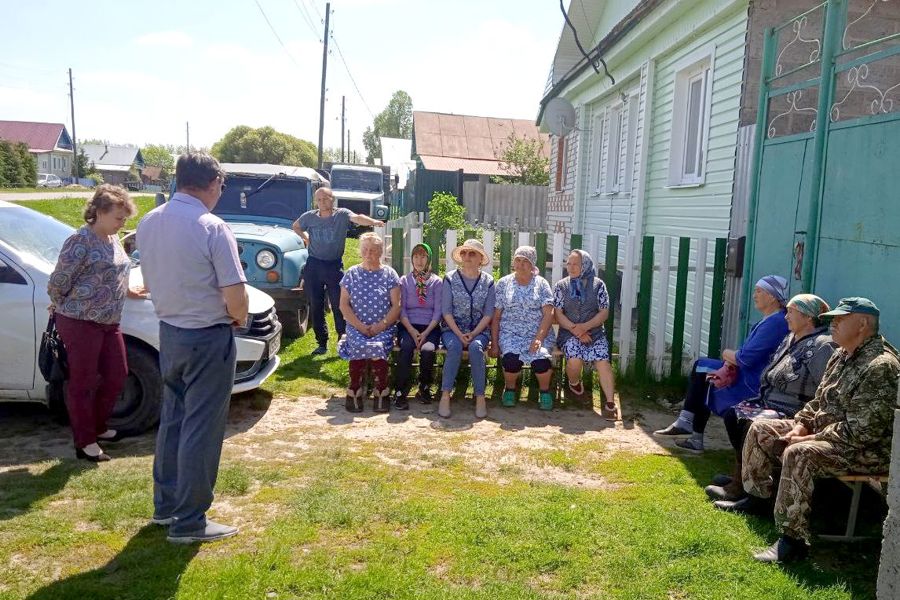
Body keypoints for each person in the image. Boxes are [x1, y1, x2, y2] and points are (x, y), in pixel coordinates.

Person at [714, 297, 899, 563]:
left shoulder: (880, 366)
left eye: (839, 320)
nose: (832, 324)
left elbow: (862, 431)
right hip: (832, 434)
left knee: (800, 453)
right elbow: (818, 402)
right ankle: (756, 499)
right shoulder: (842, 354)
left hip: (865, 449)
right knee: (761, 429)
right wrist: (801, 424)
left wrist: (809, 436)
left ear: (862, 324)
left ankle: (793, 541)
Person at [137, 153, 248, 544]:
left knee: (174, 421)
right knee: (201, 427)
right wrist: (239, 317)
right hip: (206, 335)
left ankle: (166, 507)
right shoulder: (211, 227)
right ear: (214, 182)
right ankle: (189, 521)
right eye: (221, 185)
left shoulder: (149, 221)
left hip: (169, 332)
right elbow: (234, 295)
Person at [47, 184, 147, 462]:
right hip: (80, 321)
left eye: (125, 218)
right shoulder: (80, 241)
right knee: (83, 381)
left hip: (108, 321)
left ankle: (99, 427)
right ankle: (85, 442)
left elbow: (116, 269)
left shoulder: (112, 239)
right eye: (118, 217)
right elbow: (58, 282)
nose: (122, 223)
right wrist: (59, 303)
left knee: (117, 375)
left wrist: (127, 291)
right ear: (99, 213)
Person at [705, 294, 835, 501]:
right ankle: (742, 475)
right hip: (769, 401)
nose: (786, 317)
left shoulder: (822, 345)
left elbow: (824, 389)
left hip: (794, 409)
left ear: (807, 317)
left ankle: (746, 488)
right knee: (733, 415)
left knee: (750, 425)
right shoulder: (791, 339)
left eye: (791, 312)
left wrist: (808, 419)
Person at [654, 275, 791, 453]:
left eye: (759, 291)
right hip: (749, 374)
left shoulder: (775, 322)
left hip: (752, 382)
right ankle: (690, 430)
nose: (754, 295)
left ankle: (688, 426)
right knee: (704, 372)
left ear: (772, 296)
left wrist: (726, 353)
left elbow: (745, 358)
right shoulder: (771, 320)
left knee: (702, 370)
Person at [292, 187, 385, 355]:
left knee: (339, 305)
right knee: (316, 305)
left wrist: (373, 222)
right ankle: (321, 343)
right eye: (318, 200)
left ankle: (343, 340)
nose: (322, 203)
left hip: (334, 266)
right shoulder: (309, 217)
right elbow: (296, 226)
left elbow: (357, 218)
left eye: (325, 199)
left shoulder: (341, 214)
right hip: (314, 265)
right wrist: (306, 238)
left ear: (332, 199)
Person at [338, 232, 401, 413]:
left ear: (381, 252)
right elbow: (343, 305)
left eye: (373, 250)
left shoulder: (390, 274)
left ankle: (382, 389)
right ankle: (354, 389)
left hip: (383, 327)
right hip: (356, 326)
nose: (368, 254)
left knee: (377, 345)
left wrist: (380, 325)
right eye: (365, 249)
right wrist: (359, 326)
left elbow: (396, 306)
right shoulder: (351, 274)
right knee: (357, 344)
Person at [553, 249, 618, 419]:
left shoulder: (598, 285)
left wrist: (585, 327)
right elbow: (558, 314)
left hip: (594, 333)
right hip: (569, 333)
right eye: (569, 263)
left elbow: (604, 312)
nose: (572, 267)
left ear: (586, 265)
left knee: (603, 361)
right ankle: (574, 383)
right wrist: (576, 330)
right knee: (574, 359)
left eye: (576, 264)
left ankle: (610, 402)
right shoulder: (562, 286)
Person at [490, 246, 556, 411]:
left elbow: (549, 314)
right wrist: (495, 343)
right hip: (510, 334)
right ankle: (510, 389)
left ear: (532, 264)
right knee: (511, 360)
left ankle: (545, 392)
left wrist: (539, 338)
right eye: (518, 260)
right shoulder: (504, 283)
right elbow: (496, 317)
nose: (521, 264)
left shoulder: (541, 284)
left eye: (525, 261)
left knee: (541, 361)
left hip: (538, 333)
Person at [440, 239, 495, 419]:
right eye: (464, 253)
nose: (467, 257)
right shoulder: (449, 279)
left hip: (479, 331)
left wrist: (474, 333)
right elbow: (446, 311)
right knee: (454, 347)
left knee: (476, 348)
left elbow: (488, 314)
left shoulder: (488, 281)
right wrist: (459, 333)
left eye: (472, 253)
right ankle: (445, 395)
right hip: (452, 329)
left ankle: (480, 397)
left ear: (480, 259)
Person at [392, 243, 442, 409]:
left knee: (428, 350)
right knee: (406, 347)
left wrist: (426, 332)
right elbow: (402, 309)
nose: (419, 260)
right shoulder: (405, 281)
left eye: (423, 256)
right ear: (411, 259)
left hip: (430, 327)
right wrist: (412, 331)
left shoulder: (436, 282)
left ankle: (425, 386)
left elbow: (438, 311)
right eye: (416, 256)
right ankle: (400, 391)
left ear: (429, 259)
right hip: (408, 325)